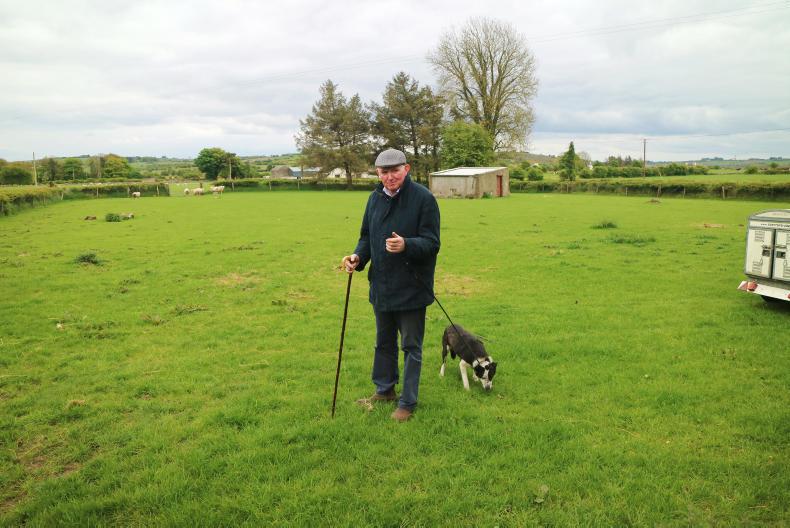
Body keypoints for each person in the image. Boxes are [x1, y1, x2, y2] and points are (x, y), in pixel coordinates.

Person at [342, 148, 440, 422]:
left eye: (395, 170)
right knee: (383, 342)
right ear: (377, 173)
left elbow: (432, 244)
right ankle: (384, 390)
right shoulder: (374, 199)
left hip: (412, 287)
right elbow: (366, 236)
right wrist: (357, 257)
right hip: (382, 285)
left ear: (406, 169)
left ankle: (407, 403)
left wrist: (407, 244)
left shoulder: (424, 199)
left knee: (411, 346)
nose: (389, 177)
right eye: (384, 172)